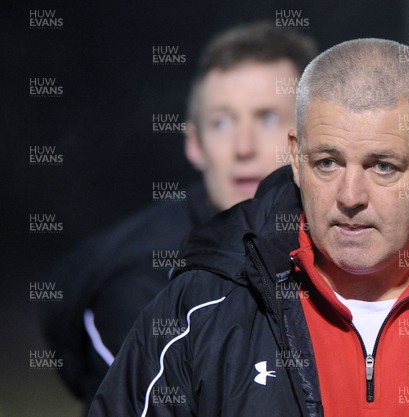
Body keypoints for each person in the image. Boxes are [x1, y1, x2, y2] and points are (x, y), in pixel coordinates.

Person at [88, 39, 409, 417]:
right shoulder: (198, 316)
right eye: (327, 162)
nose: (350, 197)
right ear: (294, 156)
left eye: (383, 166)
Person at [41, 21, 317, 410]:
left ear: (314, 135)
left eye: (268, 118)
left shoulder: (349, 243)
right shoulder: (141, 281)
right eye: (222, 122)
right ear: (194, 143)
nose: (243, 146)